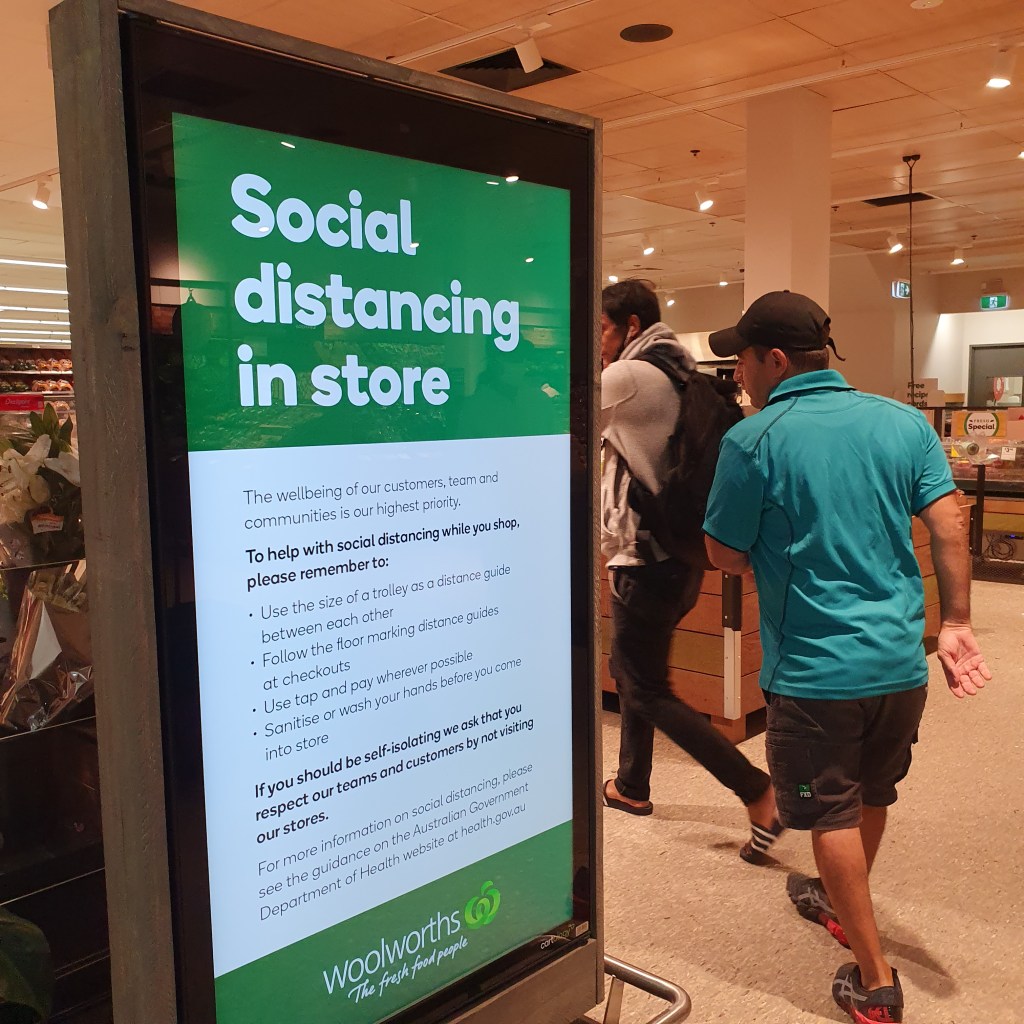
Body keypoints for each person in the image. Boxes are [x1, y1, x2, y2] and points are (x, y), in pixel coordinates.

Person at [702, 290, 991, 1024]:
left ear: (772, 360)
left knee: (828, 816)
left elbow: (726, 556)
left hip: (815, 673)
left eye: (740, 357)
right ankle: (839, 899)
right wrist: (955, 621)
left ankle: (875, 980)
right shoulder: (902, 423)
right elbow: (950, 522)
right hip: (900, 663)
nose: (737, 372)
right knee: (871, 795)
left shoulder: (755, 440)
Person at [600, 278, 782, 864]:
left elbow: (553, 412)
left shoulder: (628, 377)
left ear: (630, 326)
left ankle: (756, 791)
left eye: (603, 328)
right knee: (634, 672)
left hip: (645, 561)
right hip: (677, 558)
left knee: (646, 687)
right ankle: (632, 784)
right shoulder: (678, 371)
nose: (598, 341)